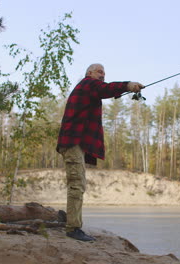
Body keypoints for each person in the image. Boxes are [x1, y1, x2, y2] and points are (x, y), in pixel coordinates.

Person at [56, 63, 143, 241]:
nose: (103, 75)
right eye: (99, 71)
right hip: (72, 141)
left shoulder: (90, 89)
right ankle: (73, 229)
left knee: (78, 183)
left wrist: (123, 90)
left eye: (104, 72)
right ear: (89, 73)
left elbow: (105, 90)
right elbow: (105, 89)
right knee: (77, 184)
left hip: (75, 142)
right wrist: (128, 85)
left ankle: (72, 221)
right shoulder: (87, 83)